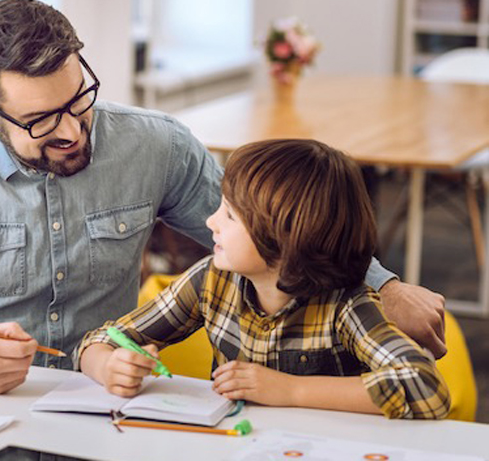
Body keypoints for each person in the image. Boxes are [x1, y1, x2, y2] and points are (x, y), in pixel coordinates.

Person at [0, 0, 446, 395]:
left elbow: (276, 231)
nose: (69, 130)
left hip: (110, 410)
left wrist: (385, 286)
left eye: (77, 100)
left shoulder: (156, 146)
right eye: (39, 122)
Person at [77, 139, 450, 419]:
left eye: (230, 216)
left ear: (285, 242)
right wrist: (107, 366)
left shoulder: (347, 305)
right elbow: (101, 338)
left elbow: (427, 387)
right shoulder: (210, 281)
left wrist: (291, 390)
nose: (210, 222)